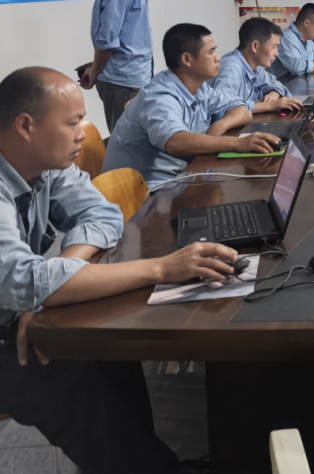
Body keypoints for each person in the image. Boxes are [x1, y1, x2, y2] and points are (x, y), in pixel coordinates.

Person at [0, 67, 245, 473]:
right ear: (25, 126)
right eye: (72, 123)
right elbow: (21, 280)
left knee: (104, 343)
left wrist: (57, 278)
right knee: (63, 375)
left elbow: (103, 214)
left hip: (18, 312)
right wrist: (161, 268)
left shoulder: (47, 165)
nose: (82, 134)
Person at [102, 24, 278, 184]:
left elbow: (243, 110)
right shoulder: (160, 96)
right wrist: (238, 144)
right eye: (211, 52)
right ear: (187, 59)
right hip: (146, 193)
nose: (218, 58)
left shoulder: (200, 89)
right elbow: (175, 142)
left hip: (182, 175)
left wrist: (217, 128)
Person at [80, 0, 173, 131]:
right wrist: (95, 70)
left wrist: (96, 66)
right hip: (122, 83)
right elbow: (107, 40)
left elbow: (123, 37)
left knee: (137, 139)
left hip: (132, 77)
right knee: (125, 141)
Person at [209, 17, 303, 115]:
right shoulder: (231, 69)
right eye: (274, 47)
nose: (277, 53)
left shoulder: (256, 67)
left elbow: (275, 84)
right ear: (255, 46)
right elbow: (223, 109)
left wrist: (274, 93)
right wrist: (269, 106)